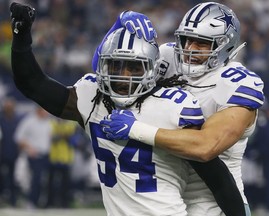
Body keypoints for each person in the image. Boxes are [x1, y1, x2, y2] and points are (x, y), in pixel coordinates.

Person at [10, 2, 246, 215]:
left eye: (134, 67)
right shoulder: (93, 98)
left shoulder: (174, 107)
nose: (124, 76)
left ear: (153, 69)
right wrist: (21, 37)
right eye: (115, 65)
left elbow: (219, 180)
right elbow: (33, 84)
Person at [100, 2, 265, 216]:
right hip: (165, 199)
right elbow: (107, 74)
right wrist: (116, 29)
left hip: (216, 204)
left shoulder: (237, 83)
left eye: (202, 43)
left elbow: (206, 147)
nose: (190, 49)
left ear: (226, 45)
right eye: (187, 40)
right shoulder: (168, 58)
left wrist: (136, 129)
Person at [14, 106, 52, 208]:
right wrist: (29, 148)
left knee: (45, 180)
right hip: (34, 155)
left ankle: (43, 203)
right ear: (39, 110)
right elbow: (18, 137)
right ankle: (31, 202)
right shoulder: (29, 121)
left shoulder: (48, 122)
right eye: (45, 110)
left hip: (47, 155)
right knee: (36, 179)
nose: (47, 112)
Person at [0, 97, 22, 206]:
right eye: (7, 106)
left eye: (10, 106)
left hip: (14, 153)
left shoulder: (18, 120)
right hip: (2, 153)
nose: (9, 108)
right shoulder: (1, 119)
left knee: (14, 178)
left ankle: (13, 200)